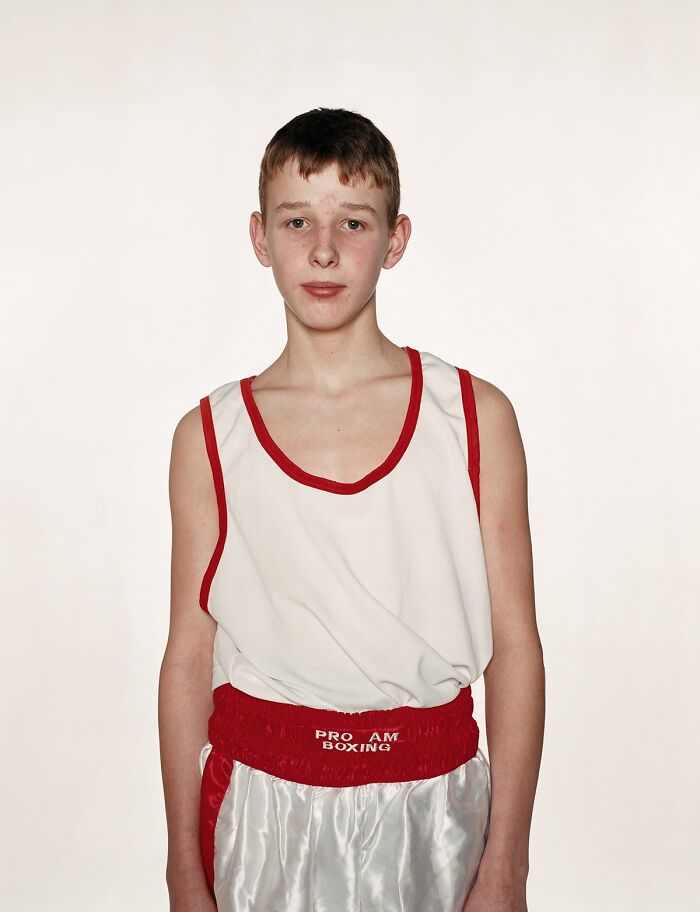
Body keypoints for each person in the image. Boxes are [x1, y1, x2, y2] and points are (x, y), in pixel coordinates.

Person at [159, 107, 544, 912]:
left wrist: (506, 864)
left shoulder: (474, 417)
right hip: (263, 812)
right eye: (297, 220)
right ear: (261, 238)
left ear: (396, 240)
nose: (324, 250)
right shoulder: (211, 435)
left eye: (353, 222)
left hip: (433, 809)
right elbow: (190, 657)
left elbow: (515, 645)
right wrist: (184, 874)